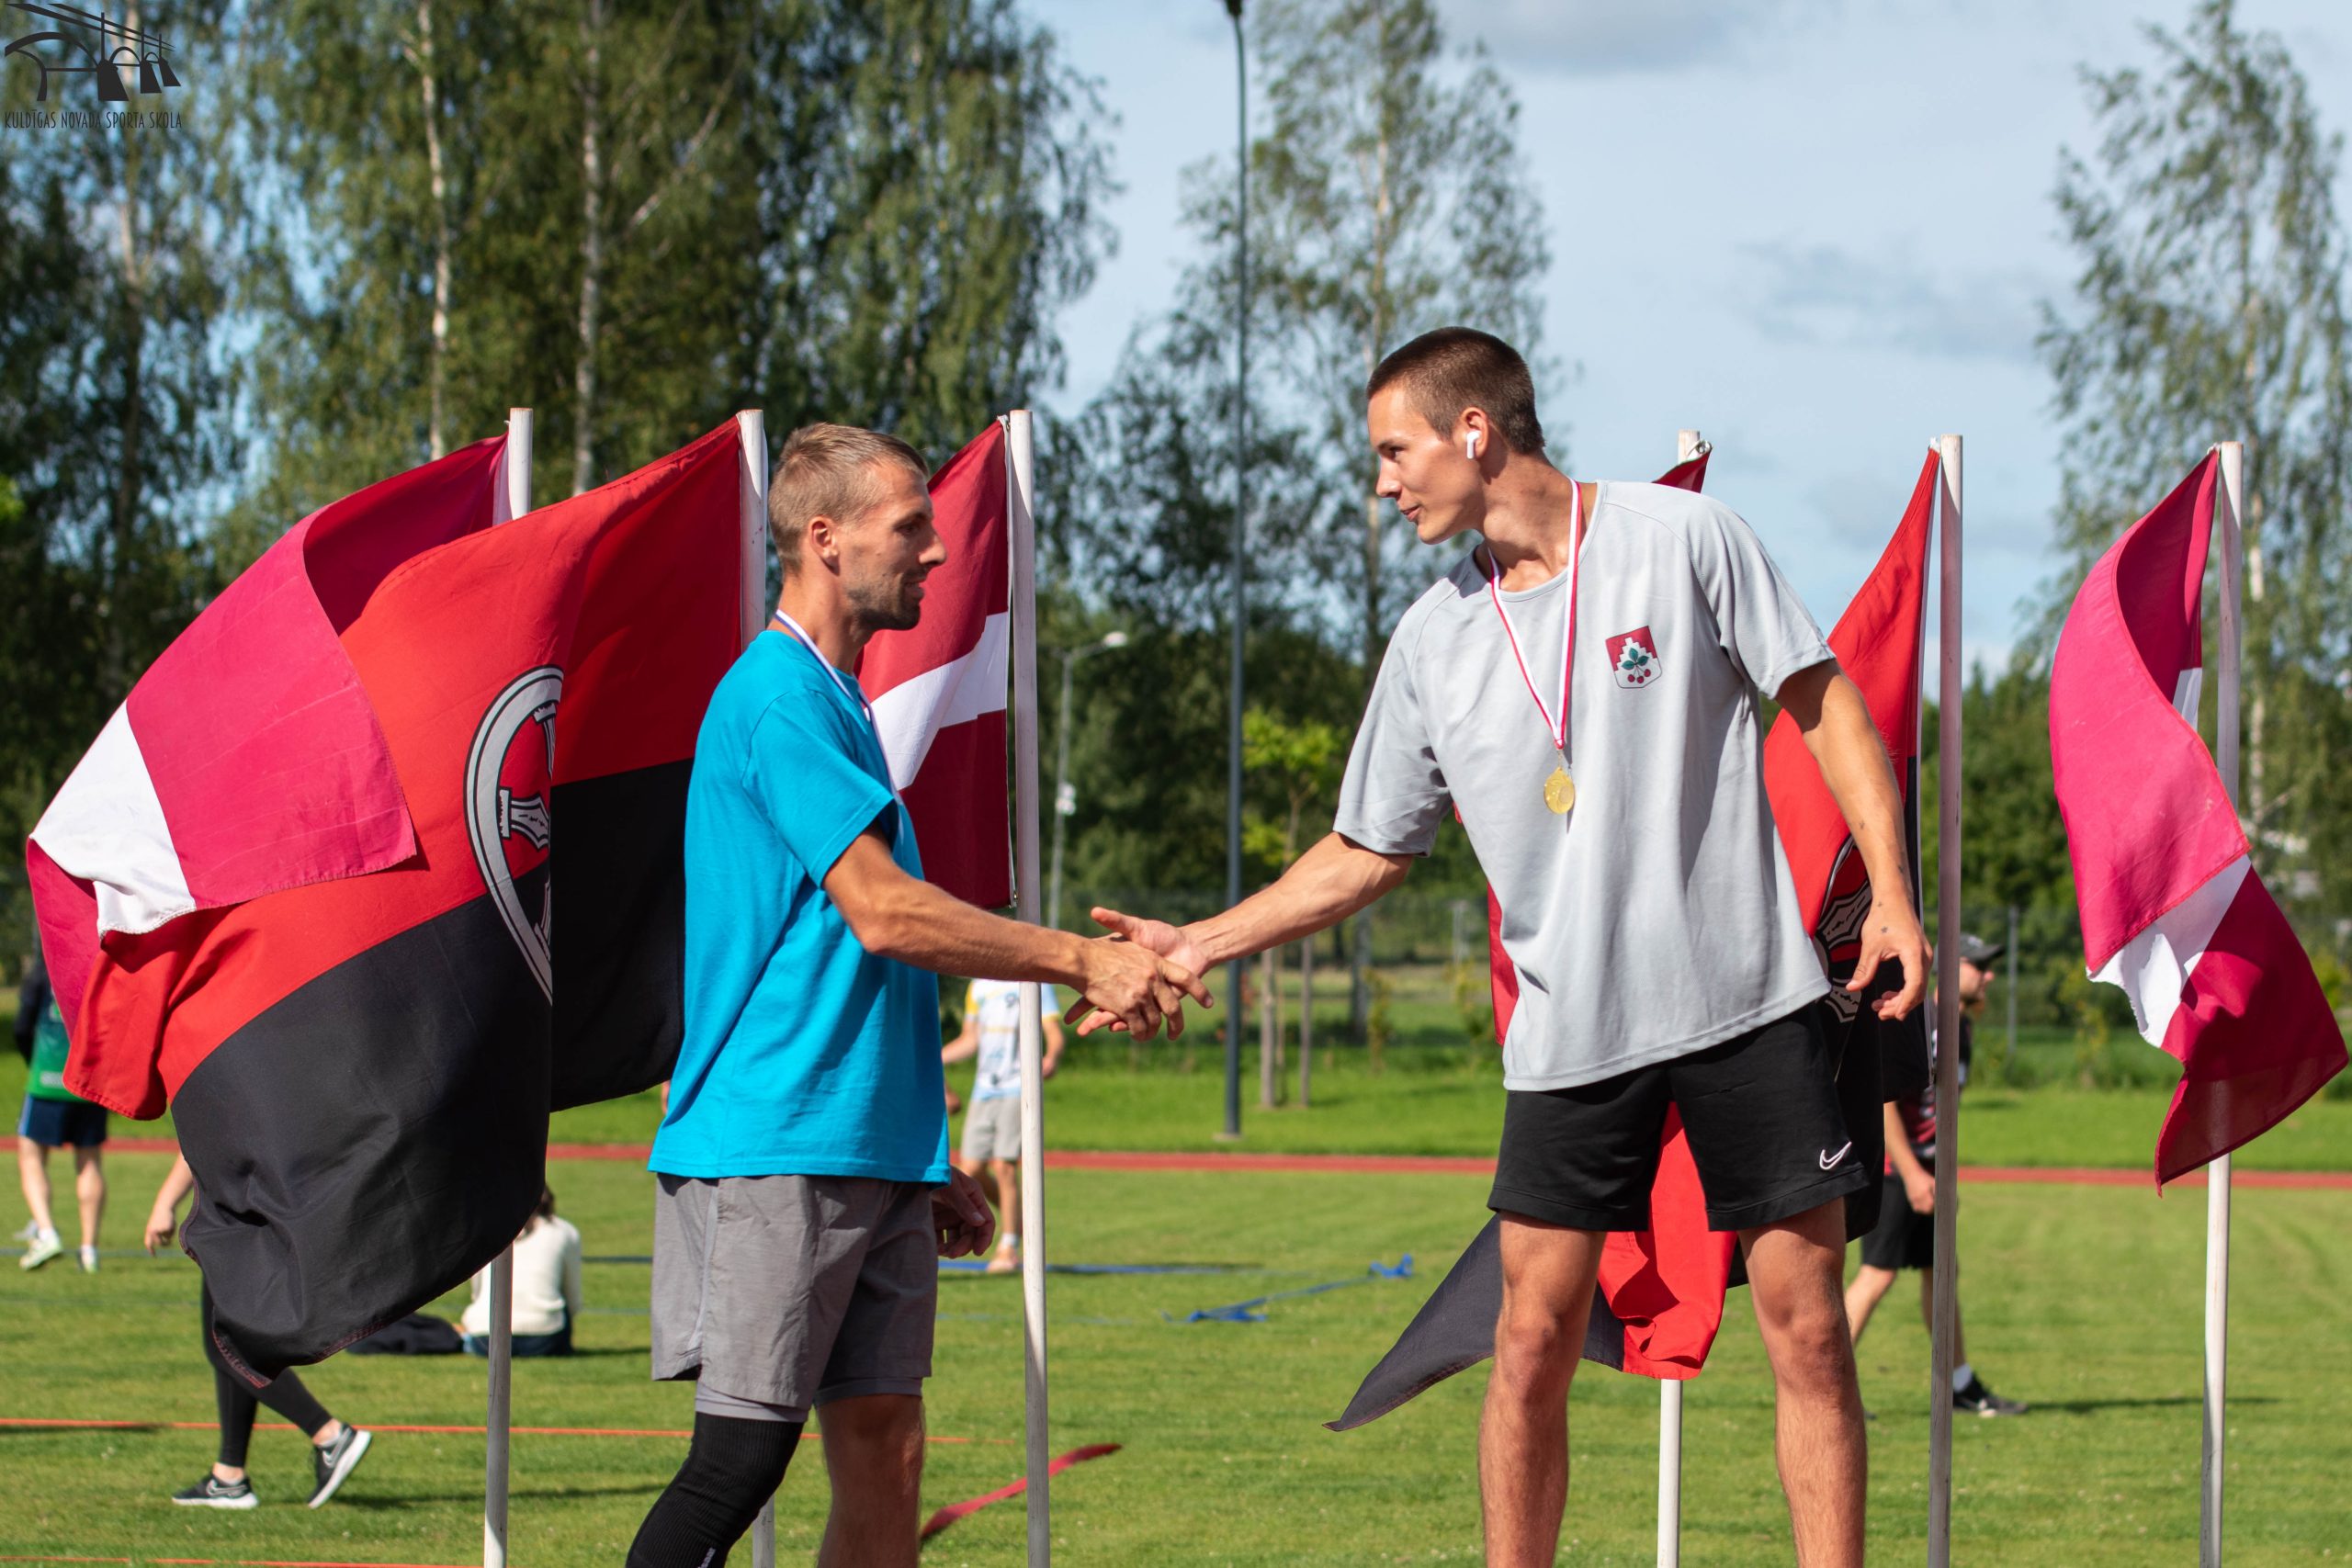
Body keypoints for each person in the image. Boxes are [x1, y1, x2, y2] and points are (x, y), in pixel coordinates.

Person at [1081, 328, 1928, 1568]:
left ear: (1473, 430)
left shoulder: (1683, 537)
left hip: (1749, 1006)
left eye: (1394, 450)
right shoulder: (1433, 640)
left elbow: (1825, 702)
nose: (1382, 482)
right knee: (1528, 1342)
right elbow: (1366, 850)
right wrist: (1201, 941)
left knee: (1806, 1330)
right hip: (1571, 1038)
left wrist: (1893, 892)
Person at [627, 423, 1209, 1568]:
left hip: (867, 1148)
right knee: (738, 1463)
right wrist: (1083, 959)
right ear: (825, 539)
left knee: (886, 1450)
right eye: (909, 528)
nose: (935, 552)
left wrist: (916, 1154)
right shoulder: (777, 697)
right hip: (776, 1145)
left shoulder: (837, 701)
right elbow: (886, 914)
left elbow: (850, 960)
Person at [1844, 933, 2027, 1416]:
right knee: (1877, 1275)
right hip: (1895, 1170)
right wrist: (1910, 1174)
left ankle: (1959, 1383)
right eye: (1979, 965)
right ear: (1952, 967)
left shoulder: (1958, 1026)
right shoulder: (1924, 1021)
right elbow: (1884, 1100)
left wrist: (1939, 1174)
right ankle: (1829, 1387)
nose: (1989, 976)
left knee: (1941, 1271)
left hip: (1926, 1171)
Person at [145, 1154, 375, 1508]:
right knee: (231, 1342)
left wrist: (164, 1204)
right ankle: (229, 1476)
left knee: (226, 1347)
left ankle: (329, 1434)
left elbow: (201, 1137)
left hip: (243, 1214)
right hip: (266, 1208)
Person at [941, 978, 1065, 1273]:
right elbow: (970, 1039)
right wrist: (936, 1059)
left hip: (1018, 1086)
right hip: (984, 1089)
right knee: (971, 1169)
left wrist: (1052, 1056)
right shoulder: (978, 986)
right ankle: (1020, 1223)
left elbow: (1054, 1033)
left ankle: (1008, 1246)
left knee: (1004, 1166)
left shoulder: (1032, 981)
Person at [16, 953, 106, 1272]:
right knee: (89, 1160)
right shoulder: (97, 965)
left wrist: (33, 1061)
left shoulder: (44, 969)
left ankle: (46, 1231)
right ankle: (89, 1250)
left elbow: (22, 1025)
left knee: (30, 1155)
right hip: (87, 1079)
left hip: (47, 1078)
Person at [462, 1184, 583, 1357]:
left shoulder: (489, 1228)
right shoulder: (563, 1231)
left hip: (486, 1336)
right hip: (544, 1336)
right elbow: (572, 1297)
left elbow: (477, 1291)